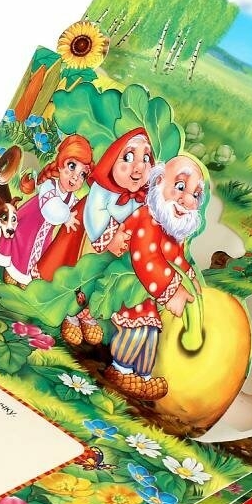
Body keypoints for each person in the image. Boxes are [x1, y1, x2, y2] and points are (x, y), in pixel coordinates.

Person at [102, 155, 206, 400]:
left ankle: (143, 377)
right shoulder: (147, 218)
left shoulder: (170, 230)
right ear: (159, 182)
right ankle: (120, 370)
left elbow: (176, 259)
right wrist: (172, 291)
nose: (188, 200)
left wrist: (191, 279)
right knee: (135, 332)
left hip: (150, 299)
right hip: (130, 291)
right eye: (180, 186)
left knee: (150, 337)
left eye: (196, 194)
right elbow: (146, 259)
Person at [42, 128, 155, 345]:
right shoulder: (102, 189)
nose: (139, 167)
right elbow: (94, 215)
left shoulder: (143, 195)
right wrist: (109, 237)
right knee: (83, 274)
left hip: (120, 248)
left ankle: (89, 313)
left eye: (145, 158)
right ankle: (71, 313)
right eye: (128, 157)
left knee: (103, 278)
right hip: (90, 241)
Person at [0, 134, 93, 286]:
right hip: (27, 228)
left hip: (43, 235)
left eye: (82, 174)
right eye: (72, 166)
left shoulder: (71, 199)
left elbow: (79, 212)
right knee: (23, 250)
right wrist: (67, 217)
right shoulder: (49, 186)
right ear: (60, 165)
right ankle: (13, 273)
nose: (75, 177)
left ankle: (26, 279)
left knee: (40, 255)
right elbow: (51, 209)